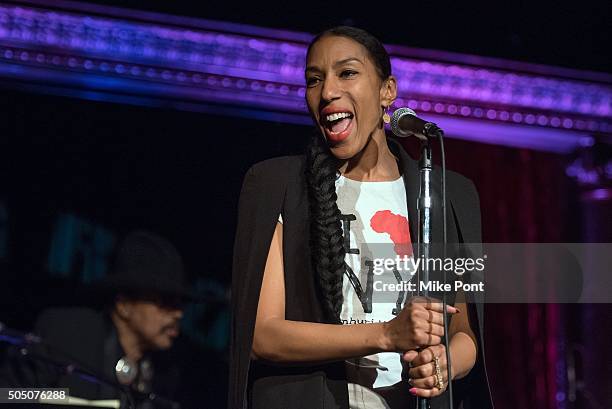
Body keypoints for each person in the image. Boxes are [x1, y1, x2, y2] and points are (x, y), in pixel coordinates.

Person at [229, 26, 493, 409]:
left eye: (347, 73)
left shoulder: (448, 195)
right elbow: (262, 335)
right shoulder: (277, 185)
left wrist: (444, 364)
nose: (327, 91)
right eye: (314, 80)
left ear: (388, 91)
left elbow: (466, 332)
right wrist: (386, 334)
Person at [4, 230, 189, 408]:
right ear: (123, 305)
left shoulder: (167, 372)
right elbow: (8, 395)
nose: (178, 313)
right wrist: (61, 396)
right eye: (164, 302)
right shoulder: (65, 333)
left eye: (180, 304)